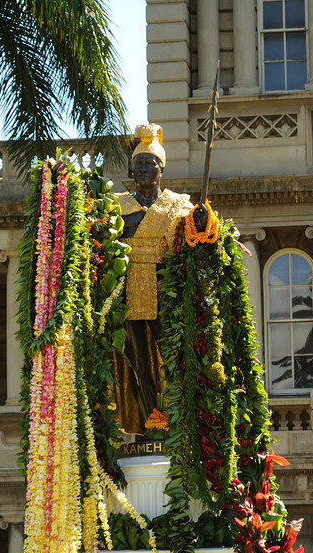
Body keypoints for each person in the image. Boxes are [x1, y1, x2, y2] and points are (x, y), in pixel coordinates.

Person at [114, 124, 194, 435]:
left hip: (162, 291)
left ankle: (180, 417)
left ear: (161, 169)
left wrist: (202, 223)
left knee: (172, 359)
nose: (143, 170)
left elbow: (189, 244)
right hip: (130, 293)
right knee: (139, 363)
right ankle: (152, 420)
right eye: (138, 165)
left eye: (149, 164)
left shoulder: (176, 205)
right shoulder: (118, 206)